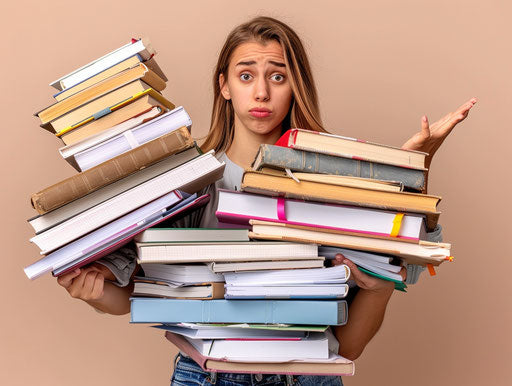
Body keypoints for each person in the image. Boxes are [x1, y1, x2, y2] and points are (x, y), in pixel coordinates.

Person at [56, 16, 476, 386]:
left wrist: (411, 173)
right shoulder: (189, 182)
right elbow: (140, 296)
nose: (261, 93)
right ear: (224, 85)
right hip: (205, 377)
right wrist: (94, 292)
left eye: (278, 76)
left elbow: (348, 348)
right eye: (245, 75)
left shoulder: (333, 186)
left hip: (308, 379)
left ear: (296, 87)